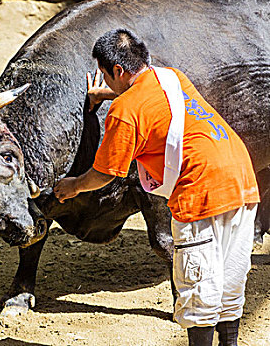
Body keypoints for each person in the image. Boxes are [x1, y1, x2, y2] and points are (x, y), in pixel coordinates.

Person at [54, 28, 260, 346]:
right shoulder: (171, 76)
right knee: (231, 277)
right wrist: (109, 94)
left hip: (200, 189)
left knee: (199, 287)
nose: (105, 83)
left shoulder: (125, 113)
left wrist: (74, 186)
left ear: (118, 71)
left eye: (106, 77)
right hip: (241, 177)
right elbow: (155, 99)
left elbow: (105, 173)